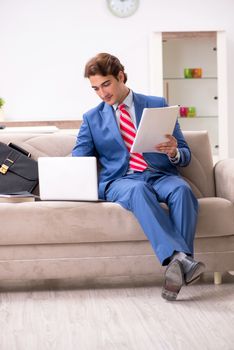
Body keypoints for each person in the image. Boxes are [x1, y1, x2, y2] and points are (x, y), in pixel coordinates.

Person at [72, 52, 205, 301]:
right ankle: (183, 259)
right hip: (122, 181)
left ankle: (177, 268)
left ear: (120, 76)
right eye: (96, 89)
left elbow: (185, 154)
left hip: (160, 174)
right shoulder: (92, 118)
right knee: (137, 191)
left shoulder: (156, 104)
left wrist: (174, 151)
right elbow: (79, 160)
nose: (102, 93)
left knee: (182, 190)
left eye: (106, 84)